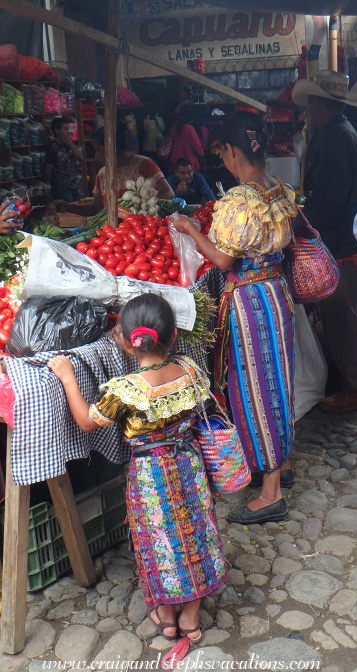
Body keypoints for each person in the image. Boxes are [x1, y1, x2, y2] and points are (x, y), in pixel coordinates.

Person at [47, 293, 227, 642]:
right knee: (197, 530)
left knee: (160, 538)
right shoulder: (190, 370)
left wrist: (67, 375)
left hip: (150, 476)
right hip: (190, 464)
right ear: (174, 335)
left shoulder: (125, 389)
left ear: (128, 345)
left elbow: (86, 421)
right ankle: (191, 615)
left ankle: (168, 613)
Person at [172, 111, 297, 525]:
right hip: (276, 293)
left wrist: (191, 229)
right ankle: (276, 465)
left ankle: (271, 492)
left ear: (229, 151)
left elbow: (224, 259)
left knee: (257, 389)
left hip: (250, 301)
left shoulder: (238, 201)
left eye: (222, 153)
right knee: (277, 382)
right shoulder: (277, 188)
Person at [292, 70, 357, 413]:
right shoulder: (339, 133)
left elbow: (328, 201)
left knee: (342, 319)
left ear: (324, 105)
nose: (309, 110)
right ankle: (349, 382)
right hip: (345, 243)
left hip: (342, 246)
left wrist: (301, 221)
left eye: (312, 104)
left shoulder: (335, 138)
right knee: (341, 318)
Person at [57, 125, 173, 218]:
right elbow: (96, 208)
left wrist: (141, 207)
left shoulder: (144, 164)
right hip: (114, 234)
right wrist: (68, 207)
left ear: (111, 148)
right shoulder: (102, 174)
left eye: (98, 150)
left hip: (142, 229)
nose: (96, 155)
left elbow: (169, 193)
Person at [45, 117, 83, 202]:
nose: (68, 132)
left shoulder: (68, 146)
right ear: (57, 130)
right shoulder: (53, 148)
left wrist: (70, 143)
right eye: (65, 129)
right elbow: (48, 171)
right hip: (61, 189)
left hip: (72, 185)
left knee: (79, 207)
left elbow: (80, 157)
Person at [169, 107, 204, 172]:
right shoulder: (189, 128)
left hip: (175, 162)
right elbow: (197, 146)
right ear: (191, 117)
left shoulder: (174, 126)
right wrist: (201, 154)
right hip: (188, 163)